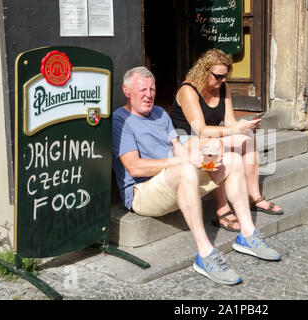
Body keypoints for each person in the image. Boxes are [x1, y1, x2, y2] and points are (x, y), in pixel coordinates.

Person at [112, 67, 281, 285]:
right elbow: (135, 168)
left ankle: (248, 234)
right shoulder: (120, 120)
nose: (149, 94)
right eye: (142, 89)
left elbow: (178, 148)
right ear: (126, 90)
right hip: (142, 192)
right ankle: (205, 254)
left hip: (173, 178)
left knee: (231, 160)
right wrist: (185, 162)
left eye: (152, 89)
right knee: (185, 167)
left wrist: (206, 160)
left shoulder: (160, 113)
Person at [169, 49, 284, 232]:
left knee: (248, 139)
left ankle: (254, 197)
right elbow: (201, 130)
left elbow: (230, 121)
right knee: (215, 147)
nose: (222, 80)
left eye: (225, 76)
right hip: (185, 137)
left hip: (208, 136)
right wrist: (234, 129)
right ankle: (221, 208)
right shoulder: (188, 90)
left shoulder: (223, 87)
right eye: (218, 76)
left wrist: (245, 126)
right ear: (204, 71)